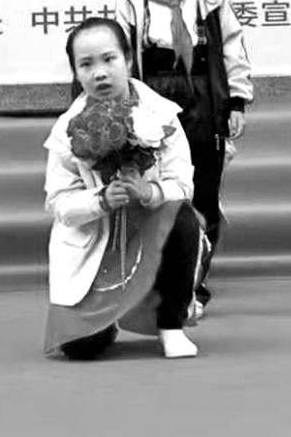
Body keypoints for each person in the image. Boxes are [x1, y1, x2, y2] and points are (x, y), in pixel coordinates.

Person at [111, 0, 253, 315]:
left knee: (203, 191)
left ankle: (195, 282)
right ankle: (155, 277)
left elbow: (232, 43)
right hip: (153, 92)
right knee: (160, 185)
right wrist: (125, 110)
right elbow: (122, 55)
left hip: (203, 92)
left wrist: (236, 101)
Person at [43, 19, 201, 361]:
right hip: (95, 244)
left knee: (182, 216)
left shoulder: (161, 115)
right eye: (86, 64)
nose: (100, 73)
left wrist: (149, 192)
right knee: (81, 350)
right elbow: (58, 204)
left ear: (128, 59)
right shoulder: (66, 130)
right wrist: (100, 200)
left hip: (150, 232)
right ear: (75, 73)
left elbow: (183, 185)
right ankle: (106, 320)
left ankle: (171, 325)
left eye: (109, 59)